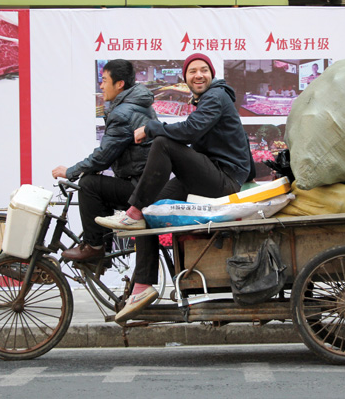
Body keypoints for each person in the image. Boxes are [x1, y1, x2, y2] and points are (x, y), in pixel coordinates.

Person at [95, 53, 254, 322]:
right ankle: (143, 286)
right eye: (192, 71)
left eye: (204, 70)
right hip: (211, 174)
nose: (199, 75)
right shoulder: (206, 99)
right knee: (148, 208)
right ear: (185, 78)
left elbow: (191, 130)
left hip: (224, 179)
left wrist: (152, 127)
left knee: (162, 142)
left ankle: (132, 211)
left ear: (212, 74)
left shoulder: (217, 96)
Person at [51, 59, 157, 263]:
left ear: (120, 84)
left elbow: (103, 157)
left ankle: (94, 247)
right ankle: (103, 251)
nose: (100, 85)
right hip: (145, 184)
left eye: (104, 80)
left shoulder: (123, 113)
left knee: (88, 184)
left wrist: (71, 171)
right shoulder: (137, 104)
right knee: (99, 183)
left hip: (140, 188)